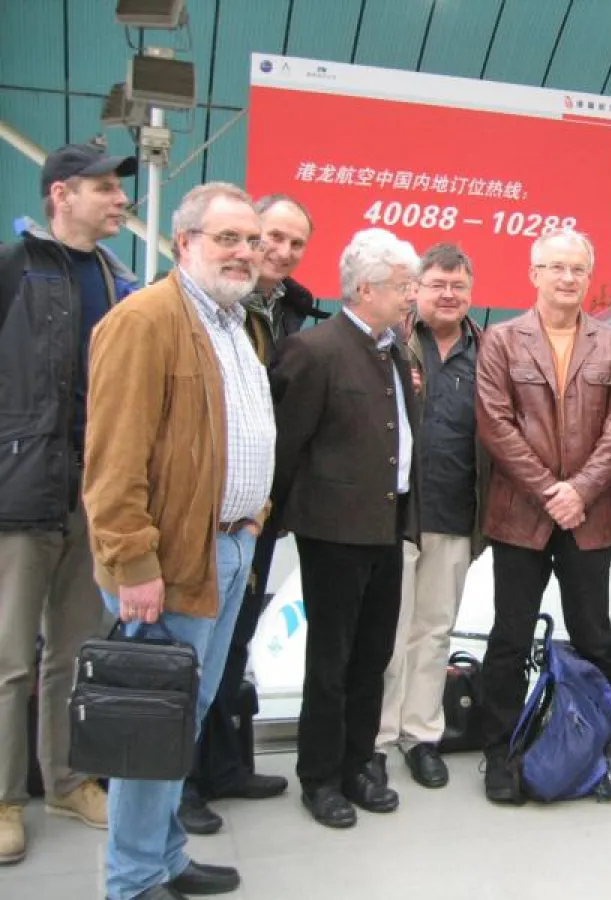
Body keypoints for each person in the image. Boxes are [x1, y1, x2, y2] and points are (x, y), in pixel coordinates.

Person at [84, 181, 274, 900]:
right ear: (182, 243)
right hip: (166, 560)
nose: (245, 252)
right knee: (151, 723)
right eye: (228, 238)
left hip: (228, 548)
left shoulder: (234, 322)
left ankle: (163, 856)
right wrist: (133, 562)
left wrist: (252, 518)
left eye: (251, 240)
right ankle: (132, 881)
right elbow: (113, 459)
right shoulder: (146, 320)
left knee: (182, 714)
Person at [0, 142, 138, 866]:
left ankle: (69, 779)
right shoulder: (14, 267)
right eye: (104, 188)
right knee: (8, 657)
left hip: (96, 493)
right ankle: (2, 800)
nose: (120, 200)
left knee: (78, 650)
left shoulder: (121, 280)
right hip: (20, 491)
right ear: (61, 194)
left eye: (119, 189)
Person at [182, 193, 326, 835]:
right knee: (188, 651)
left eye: (296, 243)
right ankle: (179, 783)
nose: (279, 252)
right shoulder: (209, 309)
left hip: (259, 513)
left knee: (234, 642)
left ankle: (222, 764)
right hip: (201, 516)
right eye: (271, 237)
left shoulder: (291, 313)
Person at [474, 228, 611, 804]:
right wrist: (550, 490)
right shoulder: (502, 340)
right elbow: (496, 425)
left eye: (577, 269)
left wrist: (581, 491)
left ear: (589, 278)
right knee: (509, 637)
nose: (567, 278)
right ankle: (498, 750)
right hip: (520, 514)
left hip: (588, 519)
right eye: (555, 267)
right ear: (533, 273)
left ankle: (602, 744)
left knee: (596, 636)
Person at [270, 228, 421, 829]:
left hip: (388, 526)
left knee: (373, 656)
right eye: (402, 285)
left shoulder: (394, 349)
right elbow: (288, 446)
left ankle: (361, 762)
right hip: (333, 533)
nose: (410, 295)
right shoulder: (316, 350)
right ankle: (321, 776)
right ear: (365, 288)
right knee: (330, 662)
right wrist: (271, 519)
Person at [376, 243, 487, 789]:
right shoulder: (390, 344)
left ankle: (422, 736)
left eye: (458, 286)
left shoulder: (488, 352)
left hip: (454, 513)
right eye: (437, 284)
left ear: (471, 292)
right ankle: (375, 738)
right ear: (414, 289)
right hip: (392, 516)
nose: (448, 295)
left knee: (433, 632)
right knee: (386, 633)